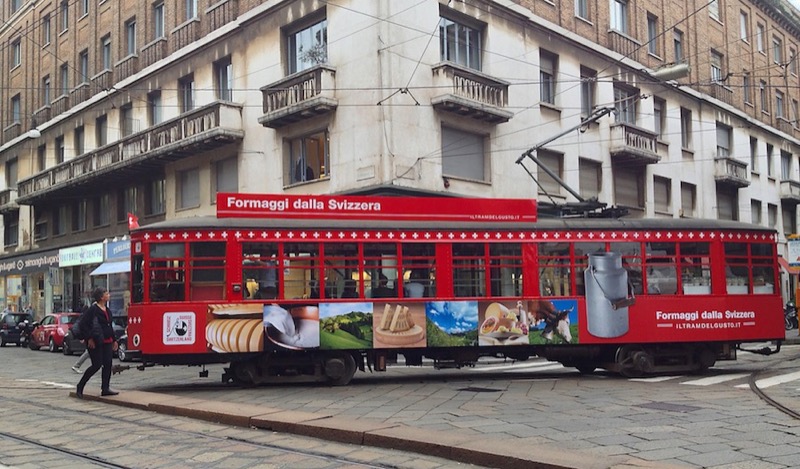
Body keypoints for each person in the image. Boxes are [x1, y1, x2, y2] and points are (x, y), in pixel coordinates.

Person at [76, 287, 119, 398]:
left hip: (107, 340)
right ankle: (80, 386)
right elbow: (83, 325)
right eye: (106, 293)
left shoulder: (107, 310)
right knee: (96, 365)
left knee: (108, 364)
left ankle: (105, 388)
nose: (109, 295)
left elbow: (109, 326)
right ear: (101, 297)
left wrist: (114, 340)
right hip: (96, 341)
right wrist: (89, 338)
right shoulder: (92, 310)